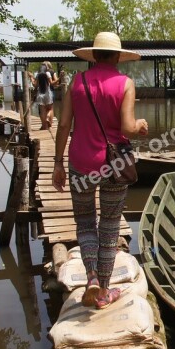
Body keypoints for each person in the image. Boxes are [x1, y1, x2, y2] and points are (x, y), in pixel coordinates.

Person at [52, 32, 149, 309]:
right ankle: (105, 291)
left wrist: (58, 163)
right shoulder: (125, 83)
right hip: (114, 166)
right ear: (118, 56)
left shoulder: (77, 82)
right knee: (108, 225)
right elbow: (128, 128)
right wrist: (141, 125)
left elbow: (62, 126)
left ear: (94, 55)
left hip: (80, 164)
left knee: (84, 221)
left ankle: (91, 277)